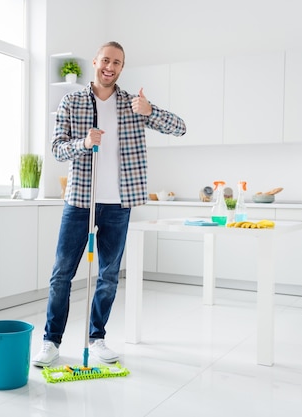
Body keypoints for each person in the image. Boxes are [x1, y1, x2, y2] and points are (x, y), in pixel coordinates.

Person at [32, 41, 186, 367]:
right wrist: (85, 142)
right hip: (79, 202)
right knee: (62, 274)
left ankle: (97, 337)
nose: (110, 67)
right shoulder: (72, 101)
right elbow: (57, 150)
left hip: (119, 205)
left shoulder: (133, 104)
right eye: (106, 60)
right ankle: (51, 341)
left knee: (108, 276)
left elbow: (180, 128)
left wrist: (151, 111)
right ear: (95, 61)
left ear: (121, 67)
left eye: (117, 62)